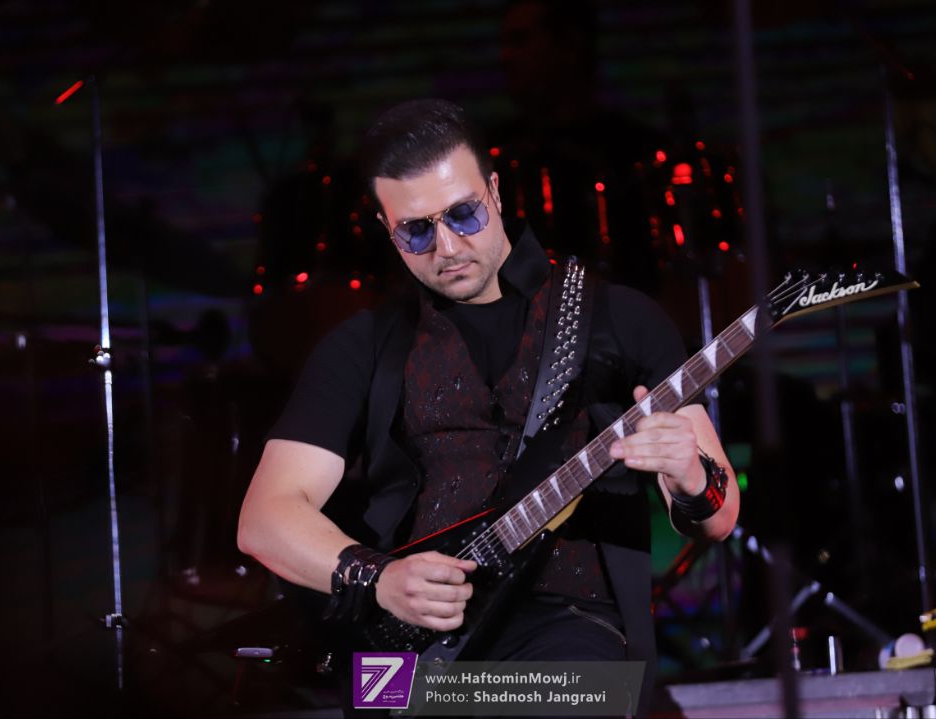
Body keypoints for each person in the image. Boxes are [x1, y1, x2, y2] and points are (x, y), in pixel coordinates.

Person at [237, 99, 739, 717]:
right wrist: (380, 579)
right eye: (416, 230)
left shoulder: (620, 318)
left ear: (495, 192)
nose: (447, 246)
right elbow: (264, 519)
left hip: (573, 639)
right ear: (385, 227)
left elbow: (719, 518)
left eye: (463, 214)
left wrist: (690, 477)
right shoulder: (363, 345)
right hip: (402, 654)